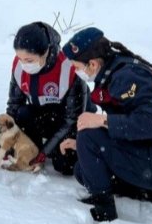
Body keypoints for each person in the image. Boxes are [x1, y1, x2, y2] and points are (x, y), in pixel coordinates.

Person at [59, 27, 152, 222]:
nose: (76, 72)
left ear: (92, 64)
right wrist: (83, 146)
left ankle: (104, 209)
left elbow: (150, 124)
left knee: (88, 138)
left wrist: (102, 122)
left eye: (76, 67)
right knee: (85, 169)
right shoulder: (114, 70)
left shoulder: (126, 77)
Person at [6, 21, 96, 175]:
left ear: (45, 52)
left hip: (72, 121)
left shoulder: (68, 67)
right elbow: (14, 105)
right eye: (20, 58)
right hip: (44, 115)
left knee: (64, 165)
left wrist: (45, 151)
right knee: (21, 114)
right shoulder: (19, 66)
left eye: (29, 60)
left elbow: (72, 120)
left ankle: (58, 150)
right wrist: (6, 141)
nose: (24, 64)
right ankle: (35, 146)